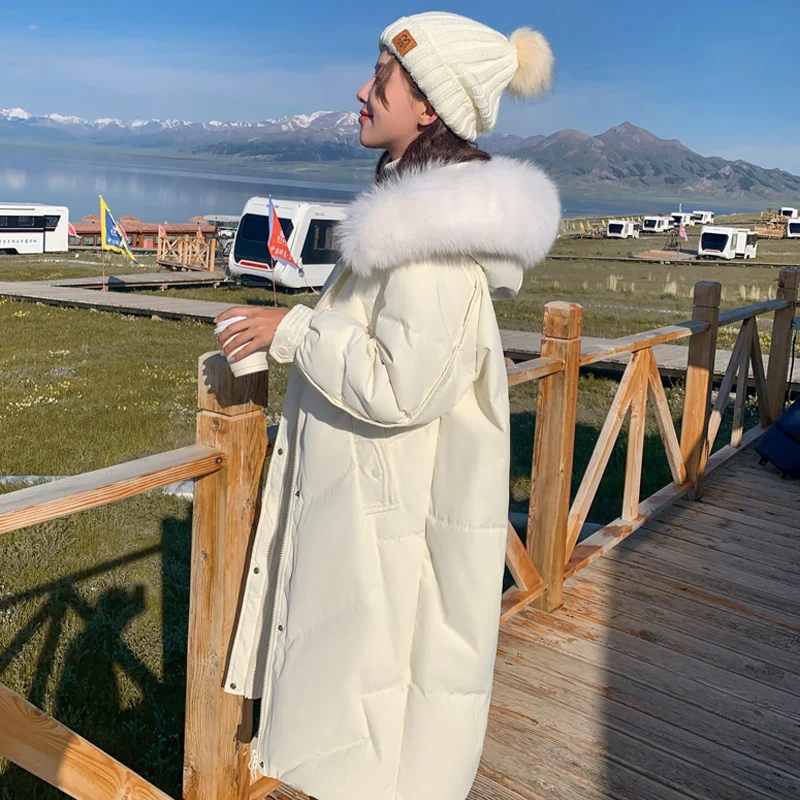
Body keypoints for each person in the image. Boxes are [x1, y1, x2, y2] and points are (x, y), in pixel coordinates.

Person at [214, 11, 560, 800]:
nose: (361, 92)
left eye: (381, 78)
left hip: (388, 539)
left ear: (429, 105)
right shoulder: (423, 223)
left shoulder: (429, 244)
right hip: (384, 528)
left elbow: (402, 385)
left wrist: (292, 330)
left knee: (383, 744)